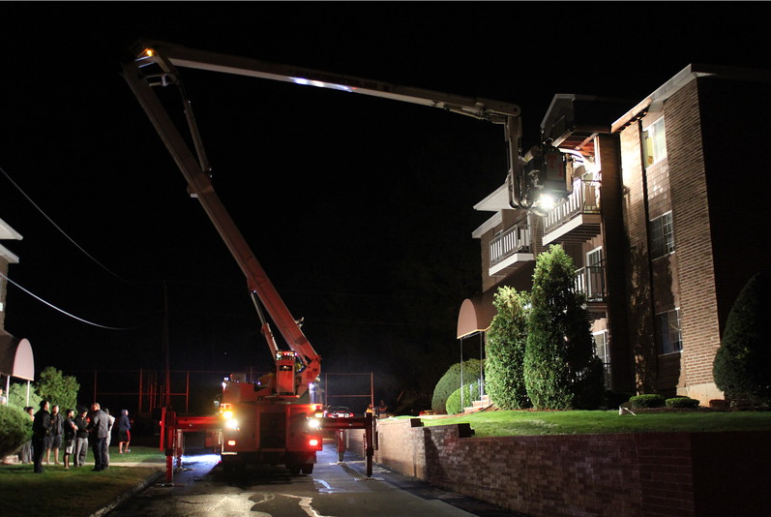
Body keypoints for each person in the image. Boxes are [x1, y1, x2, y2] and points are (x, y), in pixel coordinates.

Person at [87, 402, 110, 471]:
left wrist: (87, 428)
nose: (91, 409)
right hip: (105, 434)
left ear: (95, 407)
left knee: (97, 451)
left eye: (92, 408)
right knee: (103, 450)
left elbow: (94, 422)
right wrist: (107, 429)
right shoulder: (105, 414)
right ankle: (104, 465)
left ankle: (98, 466)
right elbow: (110, 423)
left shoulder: (95, 414)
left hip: (97, 434)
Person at [32, 400, 52, 473]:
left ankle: (37, 467)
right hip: (41, 435)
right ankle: (38, 468)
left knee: (36, 452)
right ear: (45, 405)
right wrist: (49, 428)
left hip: (36, 435)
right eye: (48, 404)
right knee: (40, 453)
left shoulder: (37, 413)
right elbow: (43, 425)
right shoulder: (45, 414)